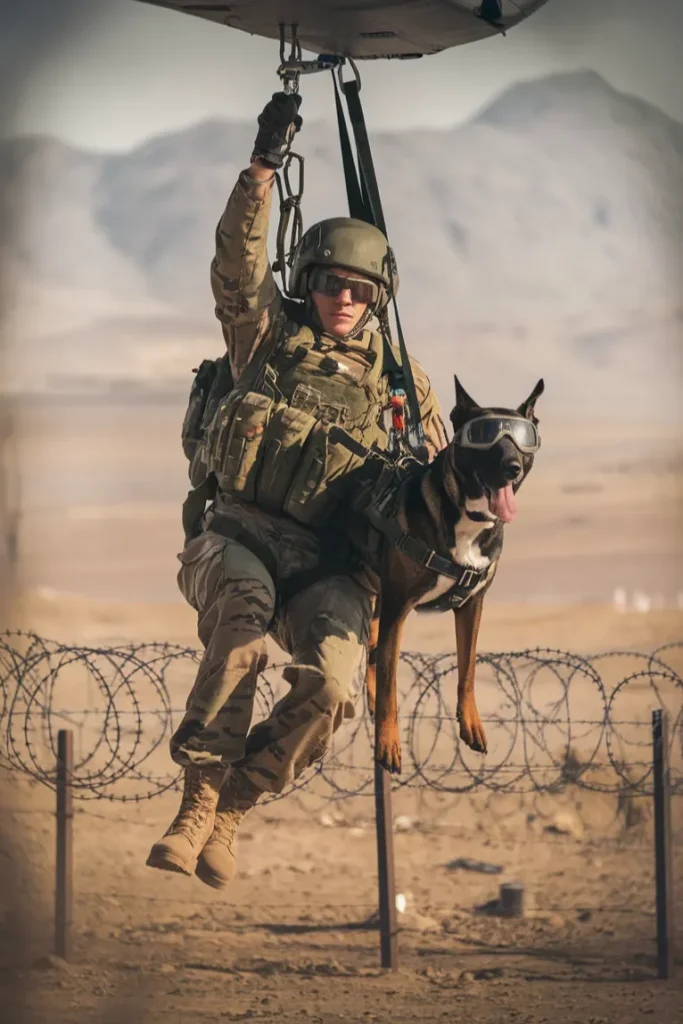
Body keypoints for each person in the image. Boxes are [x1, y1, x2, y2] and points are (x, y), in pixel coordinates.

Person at [146, 92, 448, 889]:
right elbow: (235, 273)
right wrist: (261, 172)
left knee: (333, 684)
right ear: (307, 283)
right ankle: (197, 799)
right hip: (237, 536)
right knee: (241, 632)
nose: (340, 301)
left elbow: (441, 488)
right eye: (327, 285)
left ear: (374, 296)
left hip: (326, 567)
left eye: (356, 289)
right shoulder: (265, 340)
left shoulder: (403, 387)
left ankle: (235, 805)